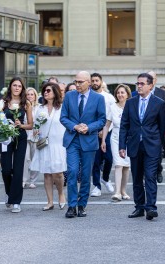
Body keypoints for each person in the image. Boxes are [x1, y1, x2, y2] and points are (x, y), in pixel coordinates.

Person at [119, 73, 165, 220]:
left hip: (152, 146)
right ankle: (139, 207)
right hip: (134, 146)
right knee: (137, 178)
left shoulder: (158, 103)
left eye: (142, 84)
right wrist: (122, 145)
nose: (139, 86)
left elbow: (162, 126)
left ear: (150, 85)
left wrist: (160, 147)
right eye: (137, 83)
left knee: (150, 177)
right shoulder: (130, 102)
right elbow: (124, 125)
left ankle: (151, 208)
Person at [60, 71, 106, 218]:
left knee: (86, 175)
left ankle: (82, 205)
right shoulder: (69, 96)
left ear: (88, 82)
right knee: (72, 172)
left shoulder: (98, 98)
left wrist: (89, 127)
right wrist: (75, 126)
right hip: (72, 139)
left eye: (80, 82)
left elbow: (102, 120)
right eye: (76, 81)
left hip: (89, 140)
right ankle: (72, 206)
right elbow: (63, 117)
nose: (77, 84)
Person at [30, 83, 67, 211]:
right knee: (47, 174)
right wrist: (36, 131)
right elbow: (35, 125)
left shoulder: (62, 108)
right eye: (44, 91)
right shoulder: (41, 108)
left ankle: (61, 194)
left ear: (55, 92)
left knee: (58, 173)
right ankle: (50, 201)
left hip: (58, 144)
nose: (45, 93)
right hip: (44, 143)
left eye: (48, 90)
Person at [1, 77, 33, 213]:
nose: (17, 88)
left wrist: (21, 125)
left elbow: (31, 125)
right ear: (10, 87)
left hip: (21, 137)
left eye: (19, 86)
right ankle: (10, 195)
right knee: (6, 169)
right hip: (6, 138)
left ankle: (16, 202)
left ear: (22, 88)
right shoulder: (3, 102)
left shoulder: (26, 104)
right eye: (14, 85)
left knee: (18, 169)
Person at [101, 84, 132, 201]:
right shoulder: (112, 107)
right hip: (115, 138)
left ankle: (123, 190)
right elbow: (107, 125)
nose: (120, 95)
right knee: (118, 164)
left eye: (122, 92)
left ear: (127, 94)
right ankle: (117, 192)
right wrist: (103, 140)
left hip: (129, 139)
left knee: (126, 166)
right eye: (118, 93)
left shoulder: (131, 106)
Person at [90, 73, 115, 197]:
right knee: (96, 160)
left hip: (107, 130)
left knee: (109, 158)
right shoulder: (88, 97)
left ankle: (105, 178)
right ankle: (96, 186)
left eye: (97, 80)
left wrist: (105, 130)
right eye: (93, 80)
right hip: (92, 131)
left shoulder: (109, 97)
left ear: (101, 81)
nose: (95, 83)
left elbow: (111, 116)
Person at [147, 71, 165, 183]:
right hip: (146, 128)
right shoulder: (141, 91)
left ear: (155, 80)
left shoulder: (162, 92)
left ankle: (158, 170)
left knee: (158, 151)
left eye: (152, 78)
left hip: (158, 127)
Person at [22, 87, 40, 189]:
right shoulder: (22, 107)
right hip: (25, 135)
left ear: (35, 96)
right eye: (28, 94)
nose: (29, 96)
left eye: (32, 94)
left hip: (36, 136)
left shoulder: (40, 107)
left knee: (34, 158)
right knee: (25, 158)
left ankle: (33, 180)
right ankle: (23, 180)